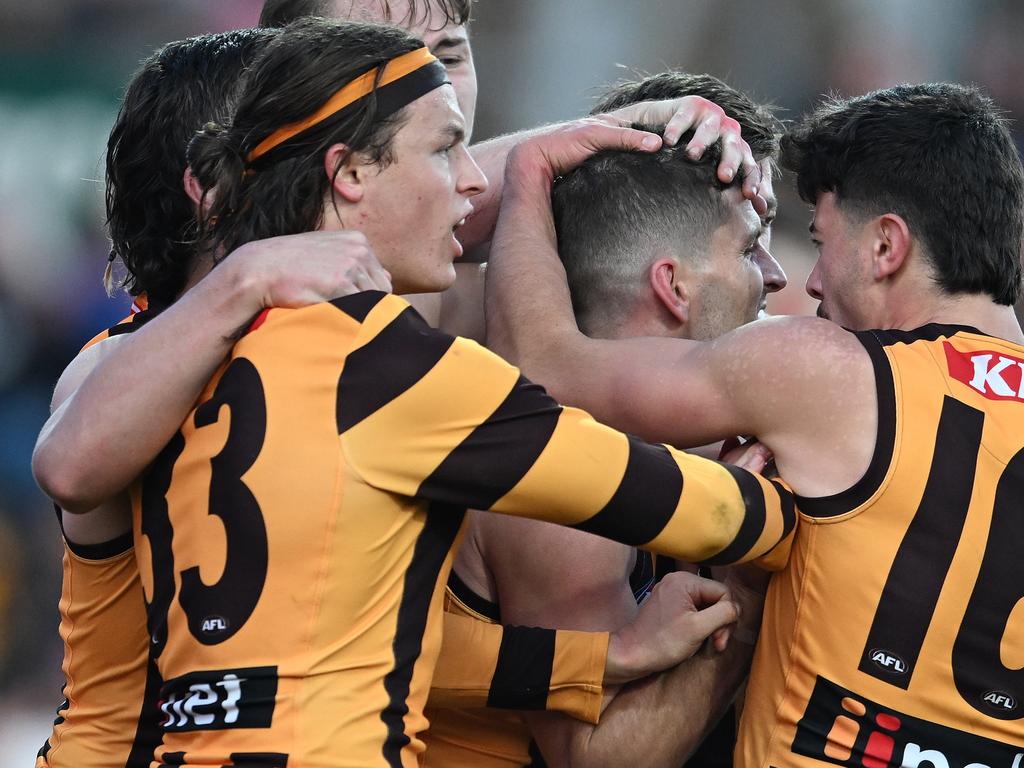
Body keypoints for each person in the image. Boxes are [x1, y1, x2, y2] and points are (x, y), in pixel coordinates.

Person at [125, 17, 794, 767]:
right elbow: (633, 469)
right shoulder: (404, 370)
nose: (476, 182)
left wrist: (597, 662)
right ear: (347, 169)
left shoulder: (130, 370)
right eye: (444, 150)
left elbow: (386, 643)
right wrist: (792, 502)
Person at [485, 82, 1024, 767]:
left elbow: (545, 366)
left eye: (821, 243)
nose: (810, 283)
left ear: (887, 246)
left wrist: (531, 165)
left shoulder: (831, 375)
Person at [423, 71, 787, 768]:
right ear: (671, 285)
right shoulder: (558, 477)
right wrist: (745, 592)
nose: (776, 276)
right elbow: (599, 758)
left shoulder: (675, 431)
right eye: (749, 245)